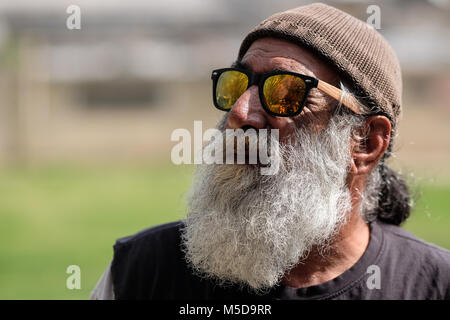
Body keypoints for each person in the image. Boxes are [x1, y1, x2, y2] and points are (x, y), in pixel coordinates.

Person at [90, 3, 450, 300]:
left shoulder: (432, 285)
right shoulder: (141, 273)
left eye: (286, 93)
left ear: (366, 142)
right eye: (236, 85)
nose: (239, 114)